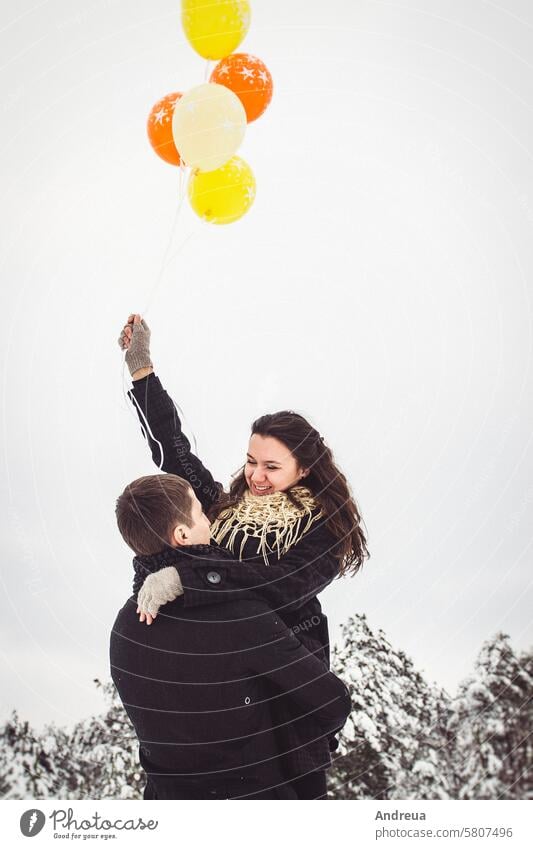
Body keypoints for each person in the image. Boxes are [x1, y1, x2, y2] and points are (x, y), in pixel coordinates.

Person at [118, 314, 369, 799]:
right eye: (252, 460)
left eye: (272, 466)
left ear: (304, 468)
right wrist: (141, 369)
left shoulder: (324, 532)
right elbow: (174, 453)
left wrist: (183, 580)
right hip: (219, 698)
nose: (256, 475)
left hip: (284, 700)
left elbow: (275, 587)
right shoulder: (225, 510)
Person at [110, 473, 352, 800]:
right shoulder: (239, 615)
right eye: (199, 512)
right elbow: (332, 702)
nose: (209, 519)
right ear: (182, 534)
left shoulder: (125, 628)